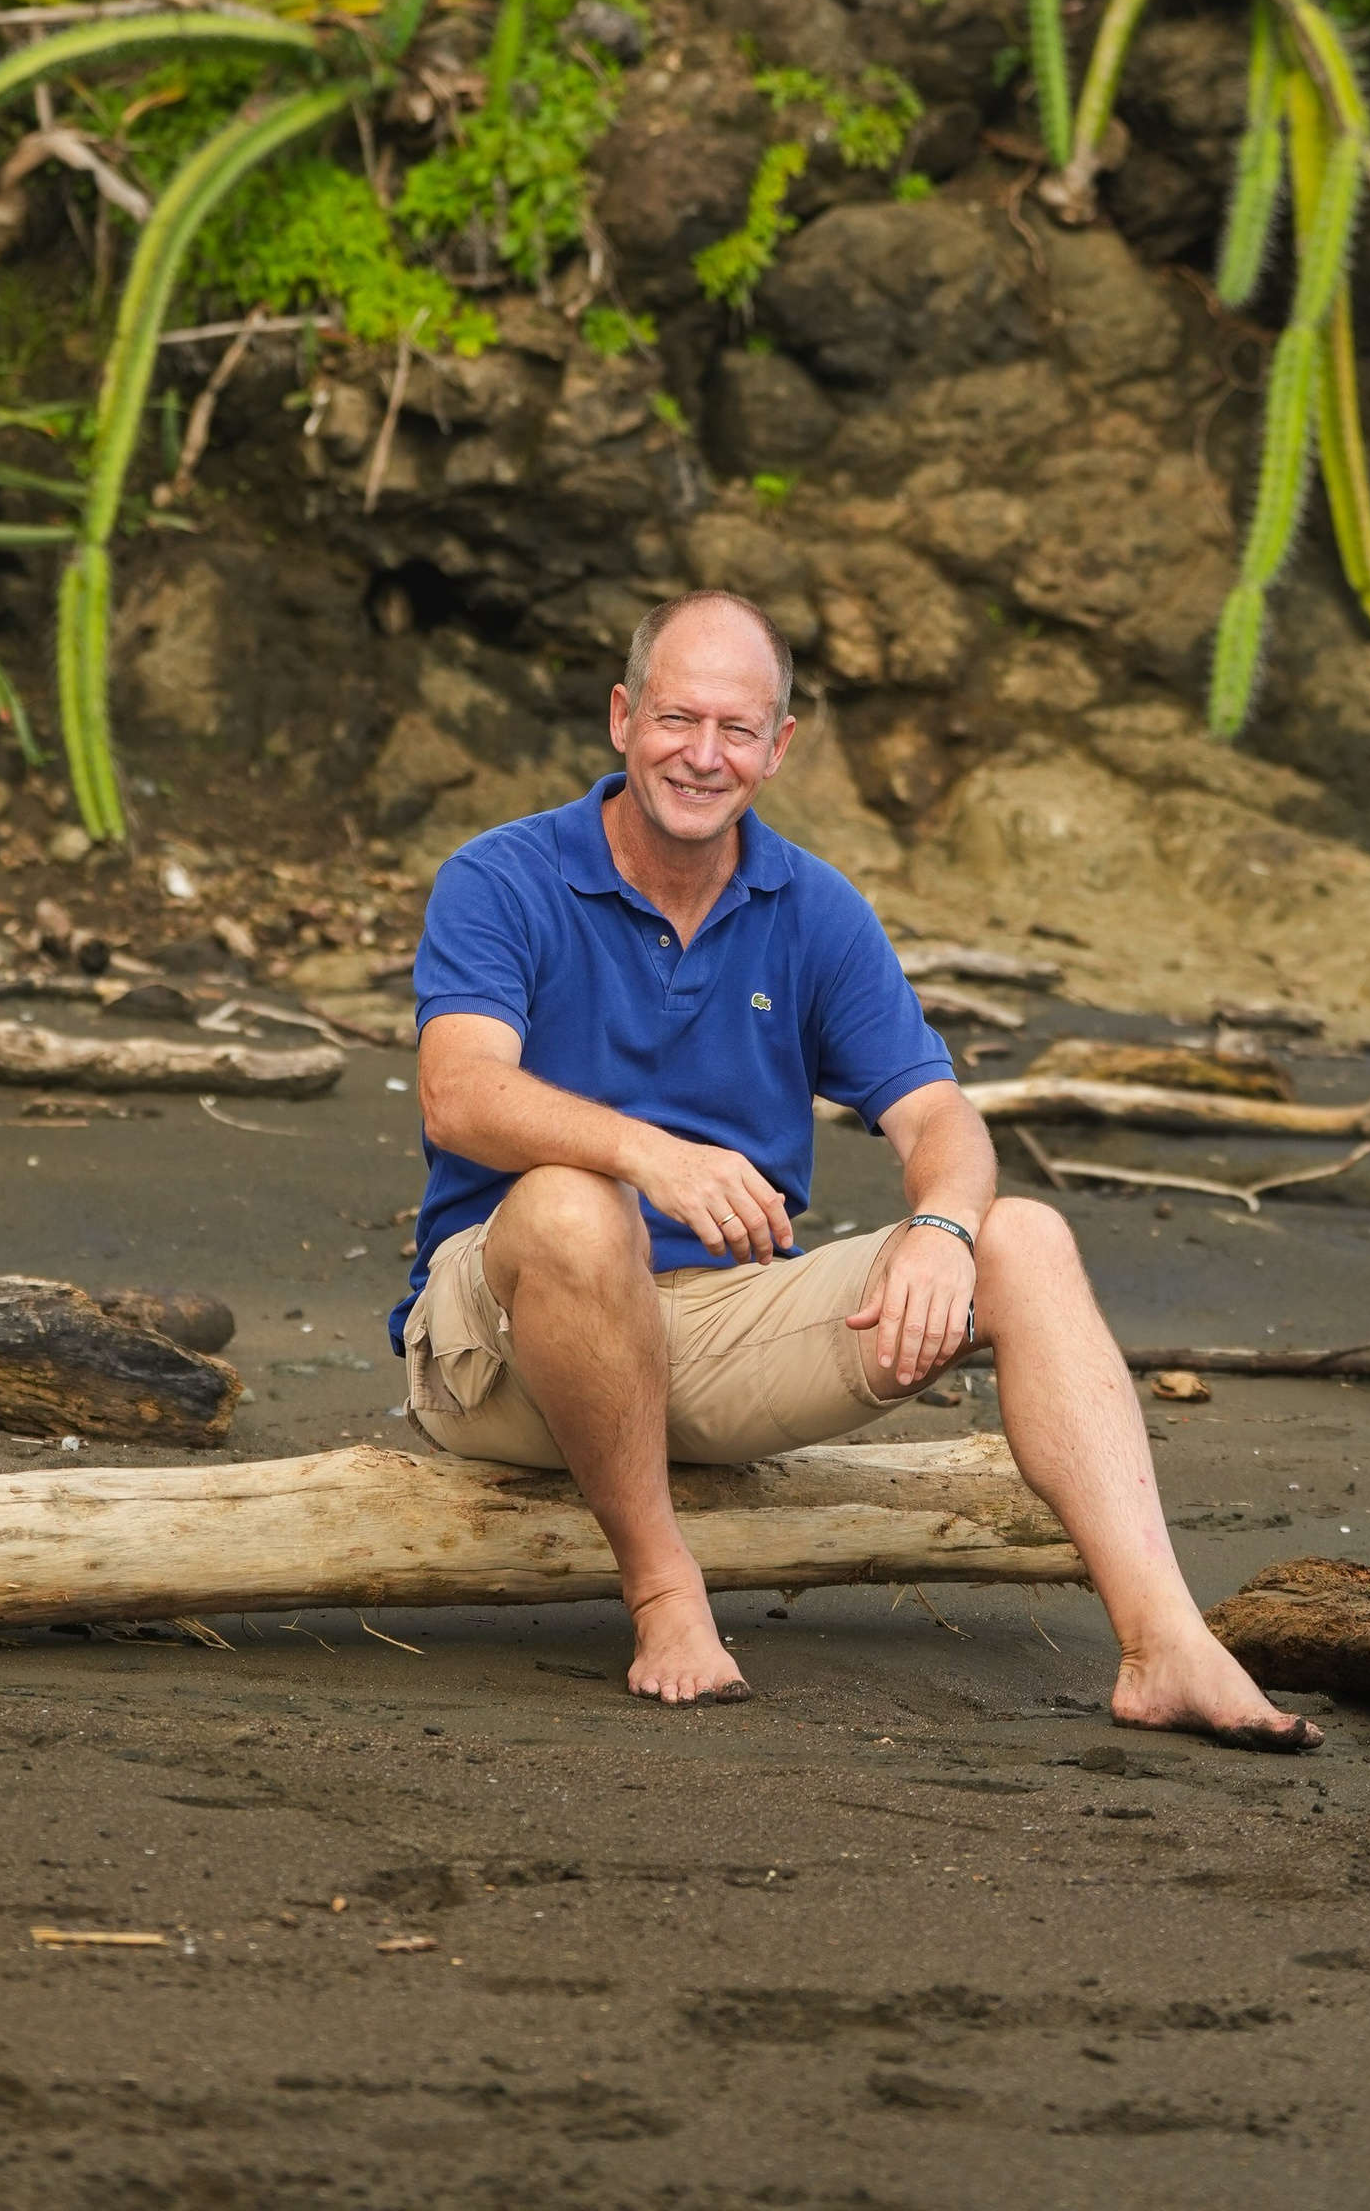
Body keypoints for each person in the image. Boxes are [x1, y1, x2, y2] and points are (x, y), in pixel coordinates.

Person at [396, 584, 1319, 1743]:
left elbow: (940, 1120)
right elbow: (458, 1094)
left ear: (777, 748)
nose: (702, 755)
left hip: (709, 1333)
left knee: (1021, 1235)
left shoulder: (814, 908)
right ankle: (665, 1594)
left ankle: (1165, 1645)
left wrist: (940, 1230)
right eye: (678, 719)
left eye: (737, 730)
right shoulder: (504, 875)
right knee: (582, 1208)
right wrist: (649, 1157)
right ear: (622, 717)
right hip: (503, 1339)